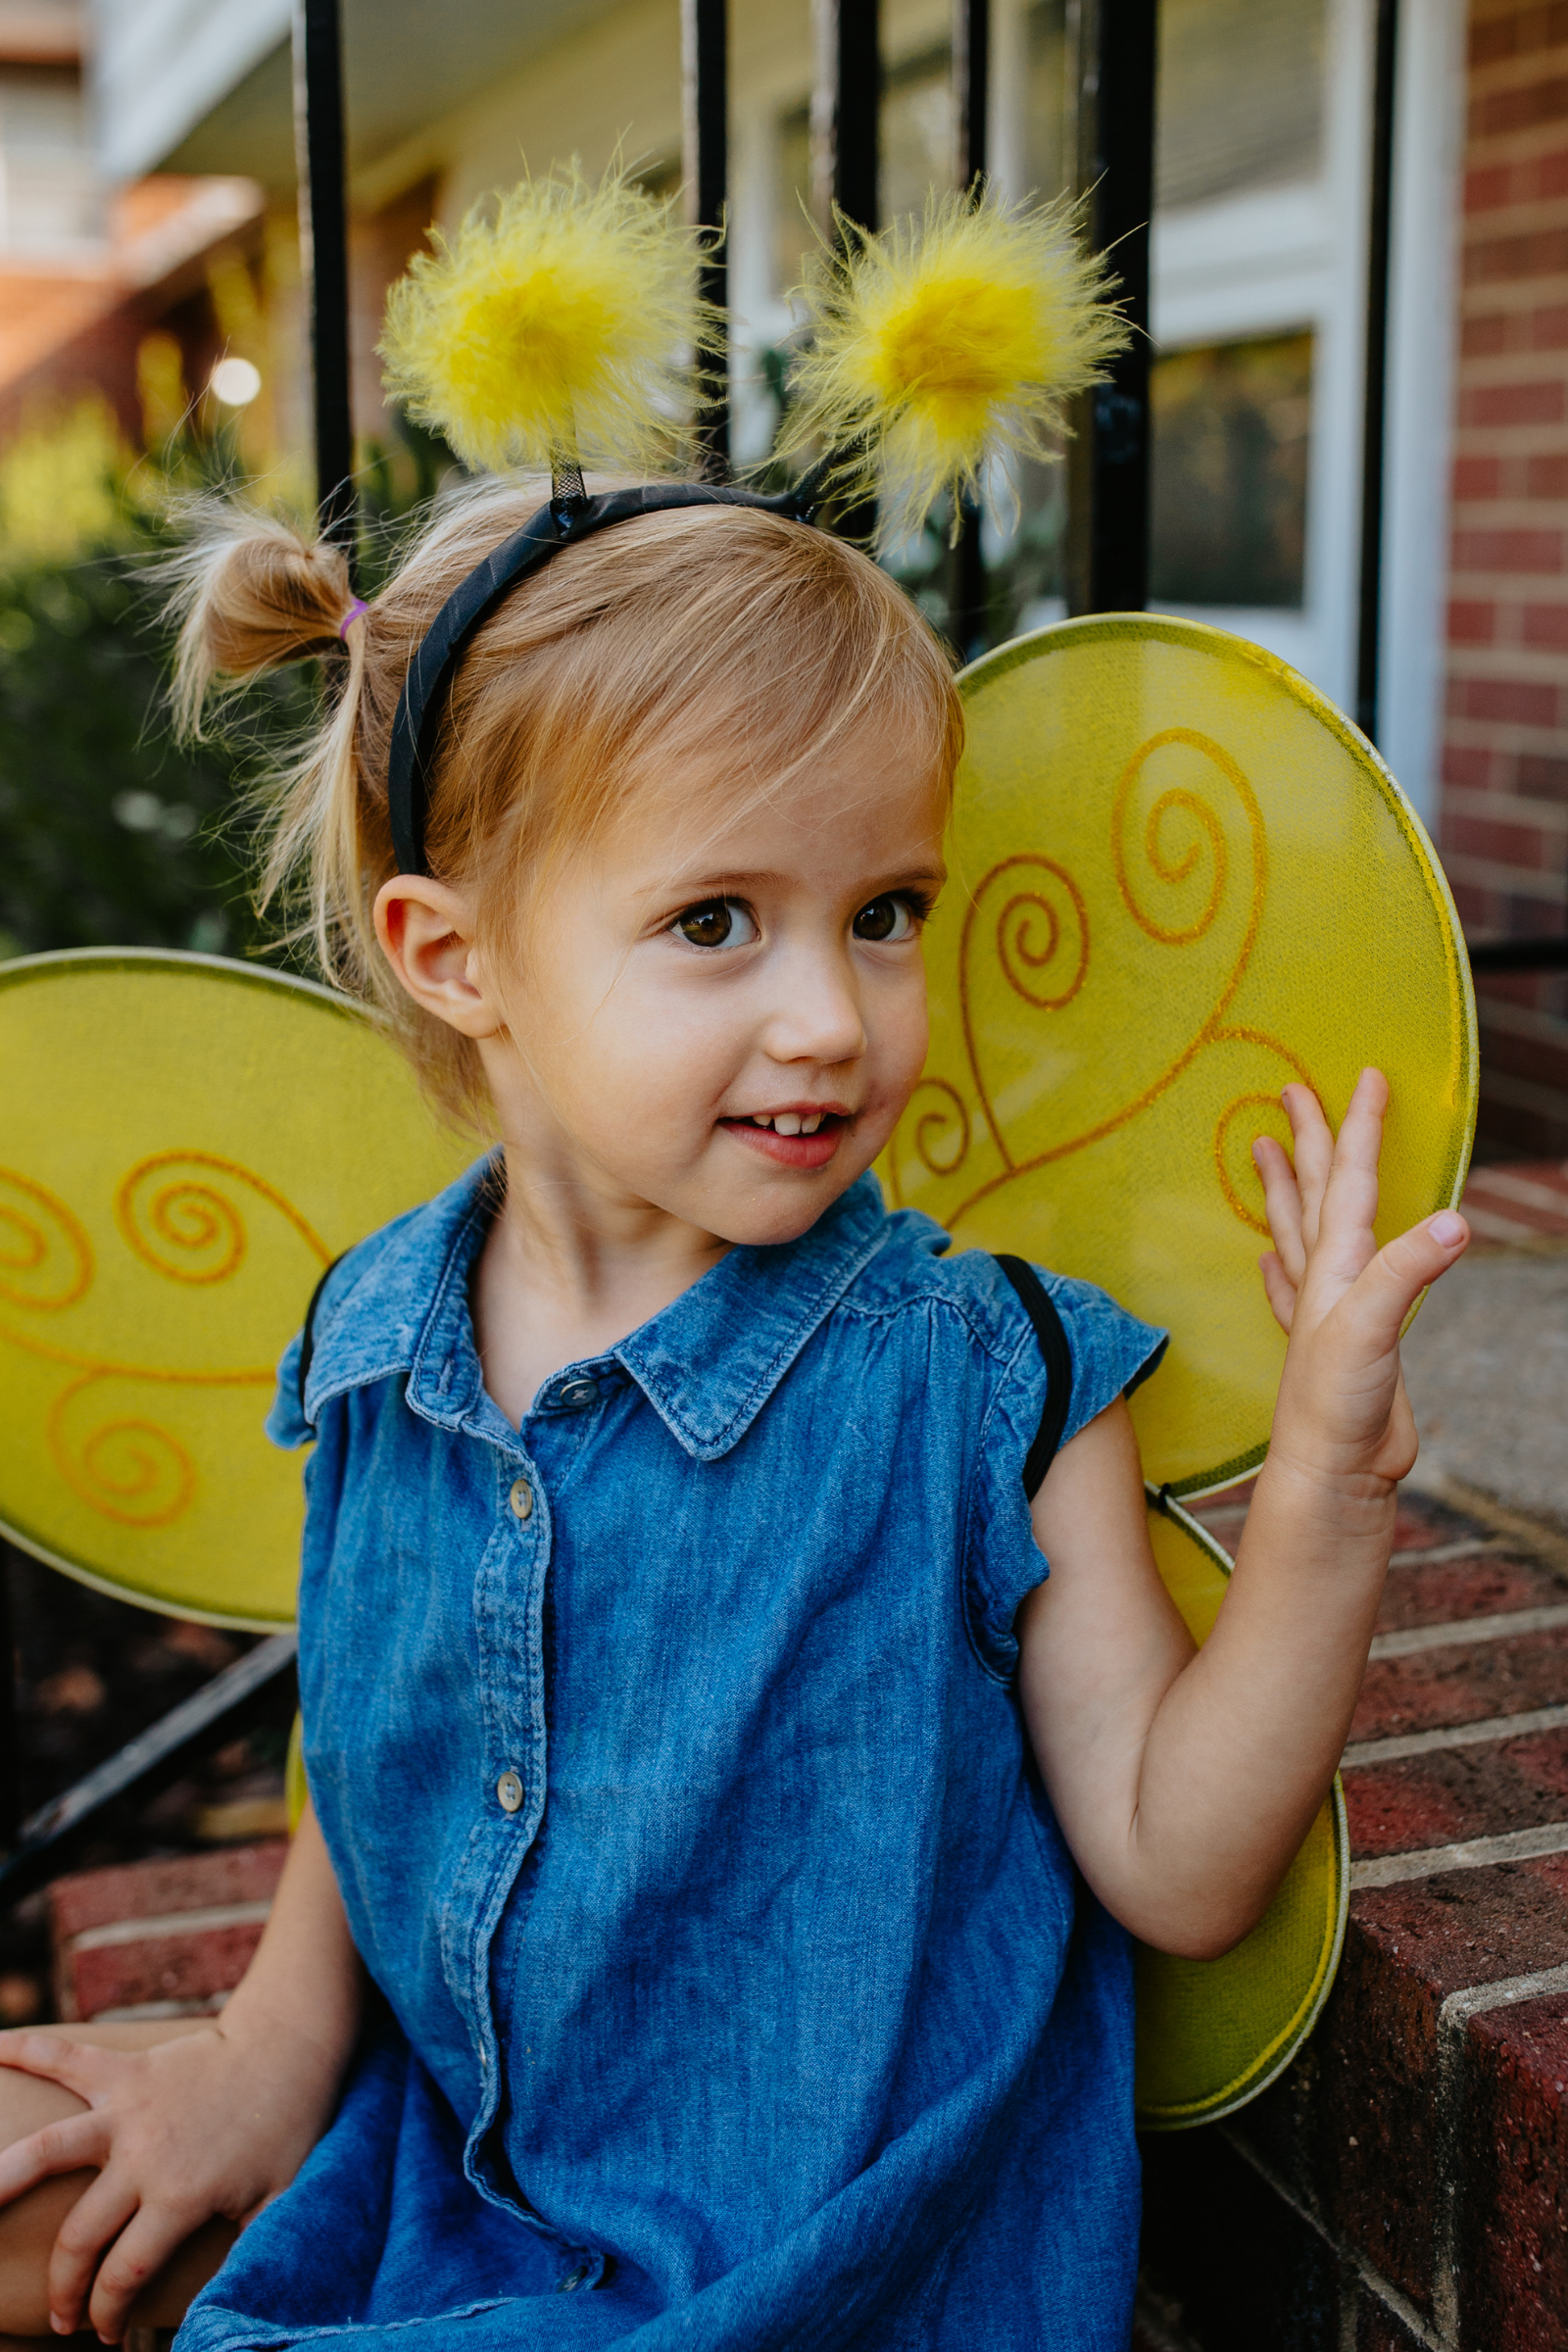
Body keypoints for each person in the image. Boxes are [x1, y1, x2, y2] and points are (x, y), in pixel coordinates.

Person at [0, 180, 1470, 2352]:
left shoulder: (979, 1380)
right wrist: (257, 2049)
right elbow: (377, 1733)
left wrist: (1329, 1502)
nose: (830, 1013)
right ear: (458, 956)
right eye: (717, 923)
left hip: (819, 2273)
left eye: (880, 909)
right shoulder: (377, 1336)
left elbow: (1175, 1860)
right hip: (463, 2164)